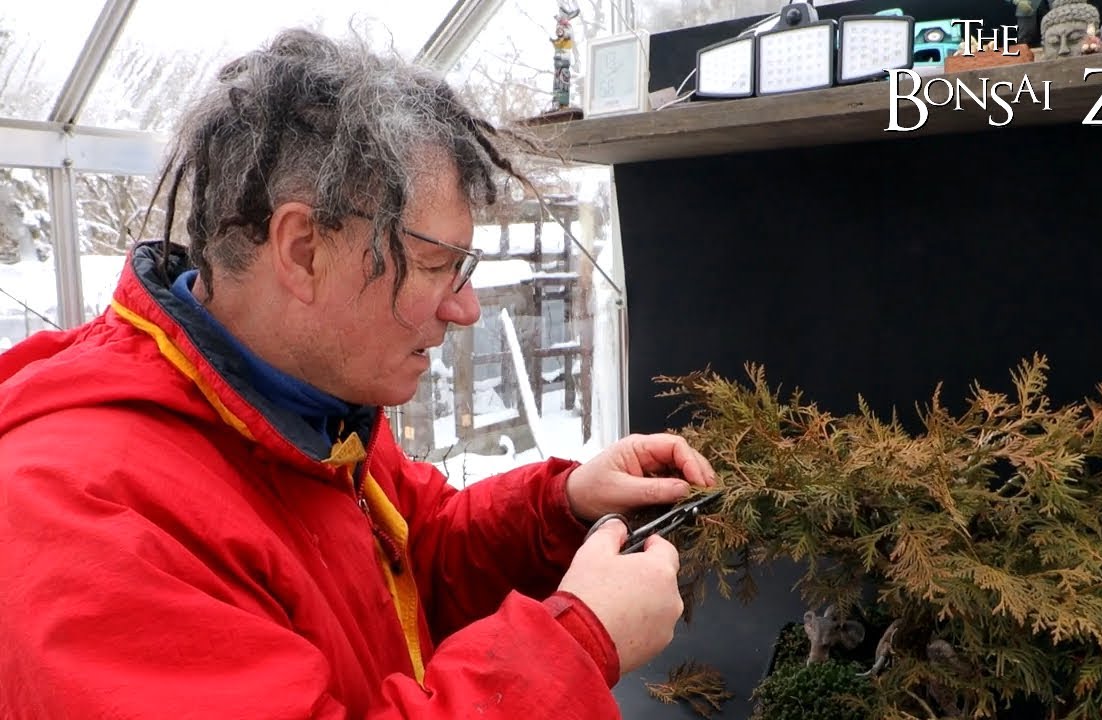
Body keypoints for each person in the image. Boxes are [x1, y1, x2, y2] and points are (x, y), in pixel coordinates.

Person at [0, 28, 717, 719]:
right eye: (439, 266)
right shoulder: (82, 516)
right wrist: (574, 645)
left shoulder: (300, 409)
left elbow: (413, 556)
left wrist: (560, 506)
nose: (464, 308)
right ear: (305, 249)